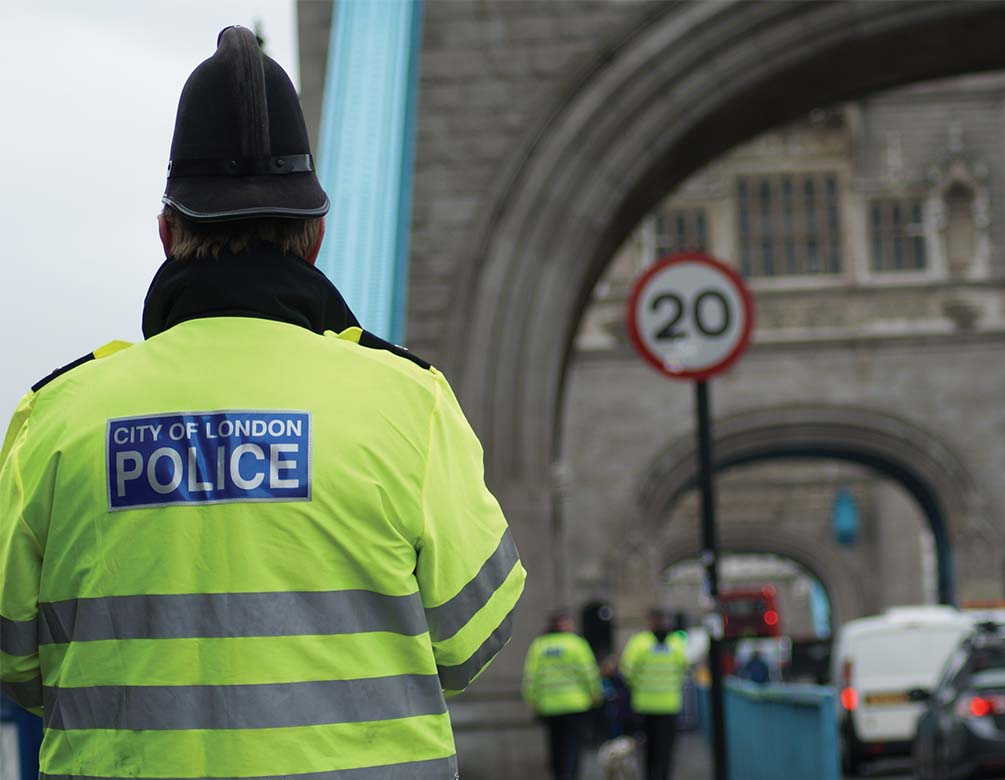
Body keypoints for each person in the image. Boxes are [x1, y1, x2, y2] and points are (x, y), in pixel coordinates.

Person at [0, 27, 525, 780]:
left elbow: (16, 662)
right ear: (315, 239)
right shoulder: (410, 405)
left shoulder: (55, 419)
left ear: (167, 233)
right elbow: (472, 640)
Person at [522, 612, 603, 780]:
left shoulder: (540, 645)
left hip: (549, 706)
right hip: (575, 704)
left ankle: (559, 776)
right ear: (568, 625)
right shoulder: (576, 644)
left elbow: (531, 676)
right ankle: (569, 776)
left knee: (555, 746)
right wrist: (596, 693)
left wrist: (531, 699)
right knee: (573, 746)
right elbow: (589, 672)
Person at [619, 609, 689, 780]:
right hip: (669, 704)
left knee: (649, 750)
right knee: (666, 749)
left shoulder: (639, 642)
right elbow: (683, 667)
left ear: (649, 621)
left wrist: (639, 686)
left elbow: (626, 670)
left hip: (645, 705)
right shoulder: (676, 642)